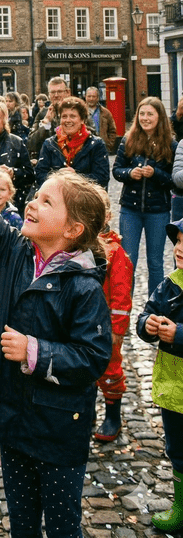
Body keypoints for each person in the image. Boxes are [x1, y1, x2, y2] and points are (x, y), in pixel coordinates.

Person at [0, 148, 112, 538]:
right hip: (14, 419)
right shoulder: (14, 252)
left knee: (60, 526)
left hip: (58, 433)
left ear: (72, 229)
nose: (32, 203)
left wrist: (34, 351)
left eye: (45, 201)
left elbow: (92, 357)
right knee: (22, 523)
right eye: (35, 195)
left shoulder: (84, 288)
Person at [136, 219, 183, 532]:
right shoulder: (171, 283)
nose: (179, 249)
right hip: (173, 387)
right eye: (178, 242)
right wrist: (148, 326)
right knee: (177, 450)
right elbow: (146, 313)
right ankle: (180, 506)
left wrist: (178, 335)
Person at [113, 97, 176, 296]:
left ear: (160, 117)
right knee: (127, 261)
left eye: (150, 114)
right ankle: (124, 312)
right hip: (130, 208)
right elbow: (116, 170)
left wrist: (155, 174)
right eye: (142, 114)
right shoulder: (128, 139)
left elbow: (174, 181)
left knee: (155, 262)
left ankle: (153, 310)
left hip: (157, 210)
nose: (145, 118)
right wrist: (130, 173)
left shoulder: (171, 145)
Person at [92, 187, 133, 443]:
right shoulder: (77, 246)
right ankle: (81, 414)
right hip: (81, 321)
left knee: (110, 366)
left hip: (105, 323)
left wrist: (118, 328)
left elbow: (121, 295)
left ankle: (112, 414)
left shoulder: (115, 253)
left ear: (107, 215)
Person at [35, 96, 110, 189]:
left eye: (73, 116)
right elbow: (40, 175)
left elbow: (102, 178)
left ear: (82, 119)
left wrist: (75, 177)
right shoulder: (49, 144)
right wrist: (58, 178)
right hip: (57, 199)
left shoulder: (96, 144)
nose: (68, 120)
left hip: (85, 200)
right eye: (64, 116)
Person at [27, 77, 70, 158]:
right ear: (49, 95)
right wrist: (46, 123)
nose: (56, 95)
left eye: (60, 92)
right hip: (48, 162)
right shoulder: (42, 113)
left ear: (67, 92)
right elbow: (31, 144)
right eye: (53, 92)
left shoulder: (77, 112)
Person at [85, 87, 118, 153]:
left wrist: (109, 145)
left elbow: (112, 130)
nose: (91, 99)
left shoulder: (106, 112)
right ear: (85, 97)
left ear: (97, 98)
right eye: (89, 96)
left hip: (103, 149)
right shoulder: (80, 112)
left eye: (93, 96)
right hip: (86, 149)